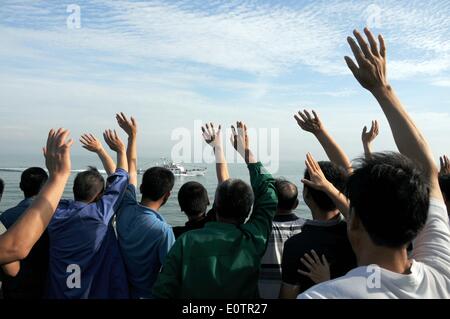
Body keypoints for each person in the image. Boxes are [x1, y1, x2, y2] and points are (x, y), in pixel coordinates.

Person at [299, 28, 450, 299]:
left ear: (353, 220)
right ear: (419, 222)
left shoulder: (321, 297)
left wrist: (380, 89)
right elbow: (429, 174)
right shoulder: (442, 275)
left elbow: (428, 176)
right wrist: (383, 89)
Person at [152, 121, 278, 299]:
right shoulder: (253, 238)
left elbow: (163, 291)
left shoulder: (185, 242)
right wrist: (245, 152)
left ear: (215, 206)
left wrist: (217, 147)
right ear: (248, 210)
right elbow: (269, 194)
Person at [279, 111, 356, 298]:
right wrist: (321, 133)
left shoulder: (296, 245)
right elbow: (350, 175)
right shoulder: (357, 237)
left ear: (306, 195)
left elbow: (288, 295)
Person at [46, 129, 129, 299]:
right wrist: (120, 150)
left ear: (74, 190)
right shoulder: (100, 214)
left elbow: (48, 196)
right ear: (100, 196)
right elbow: (120, 179)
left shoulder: (54, 214)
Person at [115, 113, 176, 299]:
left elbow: (129, 172)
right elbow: (172, 273)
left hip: (120, 291)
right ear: (167, 196)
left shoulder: (125, 208)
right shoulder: (163, 231)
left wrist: (132, 138)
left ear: (141, 187)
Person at [0, 129, 72, 265]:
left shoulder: (6, 217)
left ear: (21, 186)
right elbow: (14, 248)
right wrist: (58, 176)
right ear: (43, 187)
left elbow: (13, 269)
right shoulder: (59, 216)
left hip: (17, 284)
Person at [172, 123, 230, 238]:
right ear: (208, 201)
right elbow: (225, 184)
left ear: (181, 207)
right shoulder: (215, 224)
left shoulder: (175, 235)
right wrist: (217, 147)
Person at [0, 167, 49, 299]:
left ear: (21, 186)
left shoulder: (6, 216)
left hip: (14, 286)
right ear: (46, 188)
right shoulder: (54, 217)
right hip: (46, 283)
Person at [258, 178, 305, 299]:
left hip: (263, 292)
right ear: (296, 204)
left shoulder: (261, 230)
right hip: (298, 294)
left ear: (272, 202)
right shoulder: (307, 228)